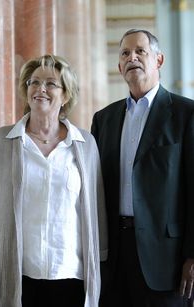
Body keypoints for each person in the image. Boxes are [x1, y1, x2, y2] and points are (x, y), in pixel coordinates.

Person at [0, 54, 108, 307]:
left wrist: (101, 271)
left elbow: (97, 213)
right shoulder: (0, 142)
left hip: (70, 276)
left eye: (51, 83)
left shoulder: (86, 145)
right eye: (33, 82)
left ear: (66, 95)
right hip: (16, 277)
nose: (40, 89)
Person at [91, 29, 194, 307]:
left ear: (158, 60)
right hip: (113, 257)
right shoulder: (104, 119)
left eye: (140, 51)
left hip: (167, 260)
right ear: (119, 66)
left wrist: (193, 256)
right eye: (125, 53)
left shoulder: (187, 115)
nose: (132, 57)